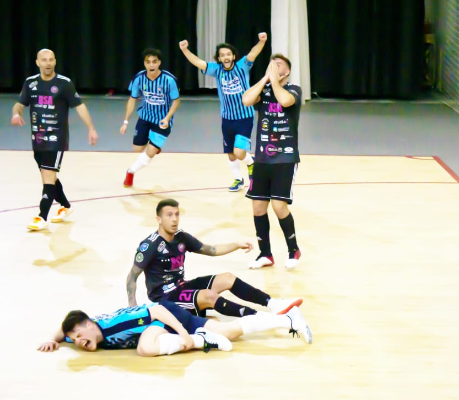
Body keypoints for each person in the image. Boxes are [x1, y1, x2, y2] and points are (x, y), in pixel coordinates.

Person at [126, 199, 302, 317]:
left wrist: (236, 244)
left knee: (227, 278)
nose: (174, 219)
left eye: (177, 214)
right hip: (165, 299)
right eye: (169, 215)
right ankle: (260, 317)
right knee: (209, 296)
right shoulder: (150, 245)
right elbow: (132, 276)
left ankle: (273, 304)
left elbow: (210, 250)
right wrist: (132, 307)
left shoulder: (181, 237)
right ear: (159, 219)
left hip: (181, 287)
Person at [11, 49, 98, 231]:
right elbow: (19, 104)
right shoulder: (30, 83)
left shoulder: (64, 83)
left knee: (48, 176)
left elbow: (80, 106)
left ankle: (41, 216)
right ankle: (65, 206)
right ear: (38, 62)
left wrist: (91, 128)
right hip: (38, 138)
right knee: (48, 175)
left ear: (55, 62)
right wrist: (16, 114)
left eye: (51, 60)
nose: (48, 63)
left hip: (56, 138)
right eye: (44, 60)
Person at [37, 300, 312, 356]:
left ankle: (201, 340)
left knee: (145, 349)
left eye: (78, 335)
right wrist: (53, 339)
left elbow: (156, 312)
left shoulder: (113, 325)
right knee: (229, 331)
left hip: (166, 317)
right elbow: (64, 332)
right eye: (74, 338)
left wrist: (183, 335)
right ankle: (288, 320)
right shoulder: (86, 334)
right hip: (164, 322)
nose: (77, 341)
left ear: (89, 324)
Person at [178, 33, 267, 192]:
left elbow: (253, 53)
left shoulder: (242, 66)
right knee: (231, 154)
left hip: (245, 116)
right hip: (227, 118)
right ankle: (238, 179)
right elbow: (198, 62)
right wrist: (185, 50)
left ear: (233, 56)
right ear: (219, 58)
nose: (225, 57)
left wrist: (262, 41)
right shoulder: (216, 70)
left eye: (228, 54)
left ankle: (251, 162)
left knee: (239, 152)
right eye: (222, 55)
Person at [242, 55, 303, 270]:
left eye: (278, 65)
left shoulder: (294, 90)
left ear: (287, 71)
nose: (274, 68)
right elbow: (246, 100)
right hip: (262, 158)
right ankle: (265, 254)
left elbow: (285, 101)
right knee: (258, 206)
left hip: (285, 158)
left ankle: (293, 249)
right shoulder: (264, 90)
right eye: (271, 65)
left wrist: (274, 81)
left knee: (278, 205)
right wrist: (265, 79)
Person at [120, 48, 180, 187]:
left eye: (154, 62)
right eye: (148, 62)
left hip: (162, 121)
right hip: (145, 117)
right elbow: (132, 99)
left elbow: (176, 101)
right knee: (137, 149)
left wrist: (167, 118)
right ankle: (154, 145)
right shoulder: (139, 78)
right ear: (144, 63)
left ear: (159, 63)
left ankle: (131, 172)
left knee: (150, 152)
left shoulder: (169, 80)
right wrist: (125, 121)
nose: (151, 65)